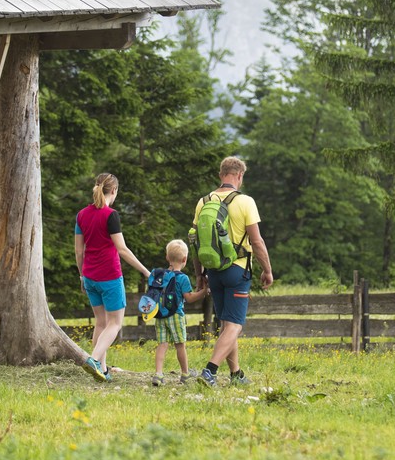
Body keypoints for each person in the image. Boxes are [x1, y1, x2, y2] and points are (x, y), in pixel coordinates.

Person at [195, 156, 273, 387]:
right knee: (234, 325)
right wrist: (267, 270)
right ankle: (210, 371)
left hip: (213, 271)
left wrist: (199, 275)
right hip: (237, 270)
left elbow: (196, 240)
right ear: (240, 175)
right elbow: (256, 242)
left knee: (226, 323)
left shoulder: (204, 201)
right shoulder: (245, 202)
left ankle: (236, 374)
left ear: (221, 174)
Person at [75, 172, 150, 383]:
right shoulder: (111, 215)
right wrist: (145, 271)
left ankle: (103, 370)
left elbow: (79, 252)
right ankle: (94, 360)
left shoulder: (81, 215)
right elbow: (122, 250)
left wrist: (82, 275)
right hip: (109, 276)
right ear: (114, 190)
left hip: (89, 276)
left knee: (101, 322)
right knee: (115, 323)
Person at [151, 239, 208, 386]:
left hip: (160, 315)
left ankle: (158, 374)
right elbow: (188, 298)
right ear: (184, 259)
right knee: (180, 345)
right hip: (176, 315)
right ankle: (185, 374)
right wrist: (202, 292)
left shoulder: (160, 276)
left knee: (162, 344)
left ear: (167, 257)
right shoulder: (183, 278)